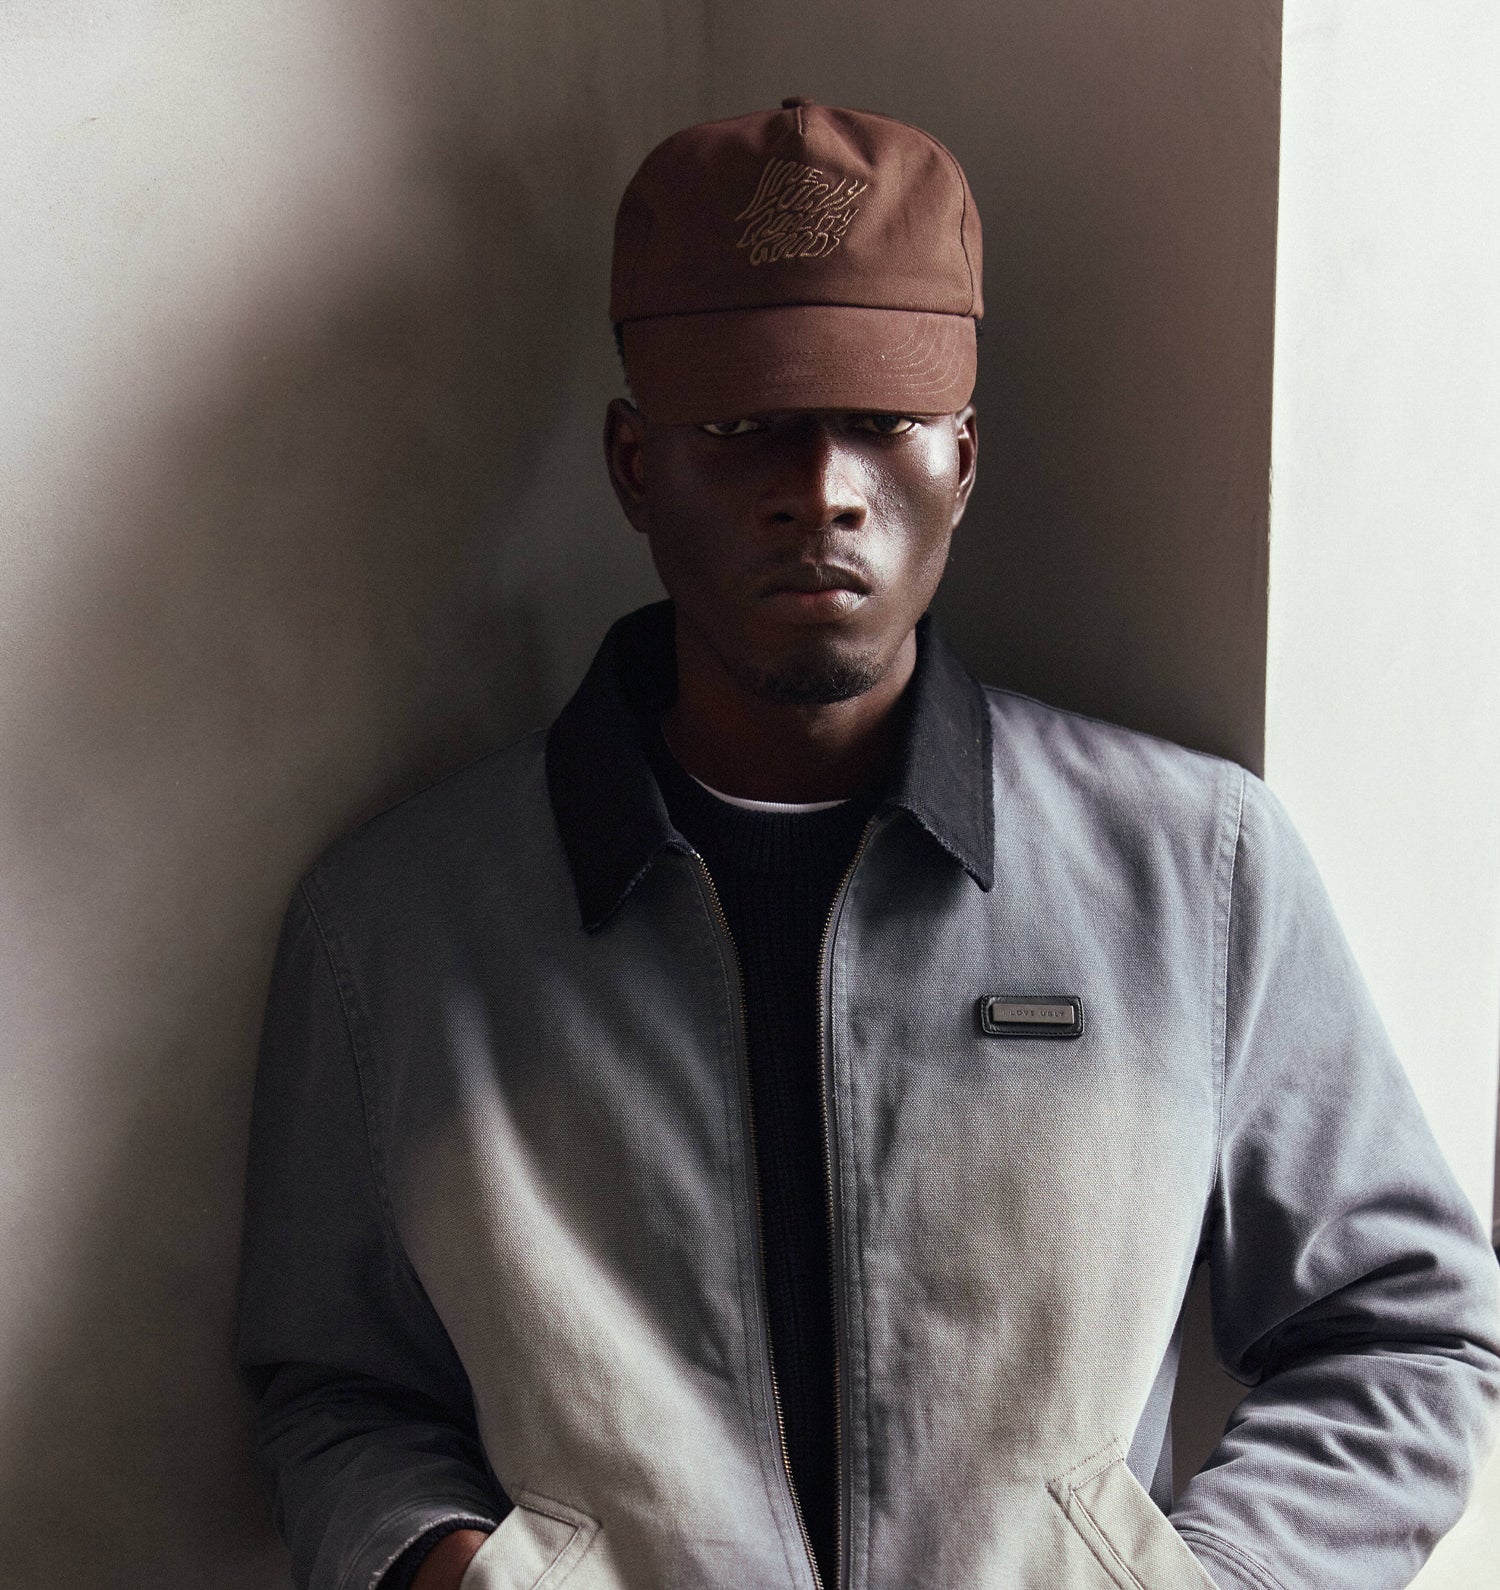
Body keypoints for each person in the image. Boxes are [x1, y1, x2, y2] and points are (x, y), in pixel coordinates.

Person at [238, 99, 1500, 1590]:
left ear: (962, 455)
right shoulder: (399, 925)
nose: (823, 488)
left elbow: (1408, 1330)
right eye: (743, 427)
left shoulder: (1191, 870)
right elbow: (335, 1385)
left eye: (884, 422)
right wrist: (454, 1570)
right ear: (636, 464)